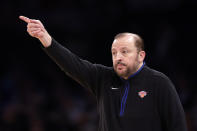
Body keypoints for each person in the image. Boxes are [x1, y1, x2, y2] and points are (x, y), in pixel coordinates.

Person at [19, 16, 188, 131]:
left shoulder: (159, 83)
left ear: (141, 55)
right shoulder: (103, 78)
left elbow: (177, 127)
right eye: (114, 53)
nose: (118, 57)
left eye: (124, 51)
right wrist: (45, 37)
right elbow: (72, 64)